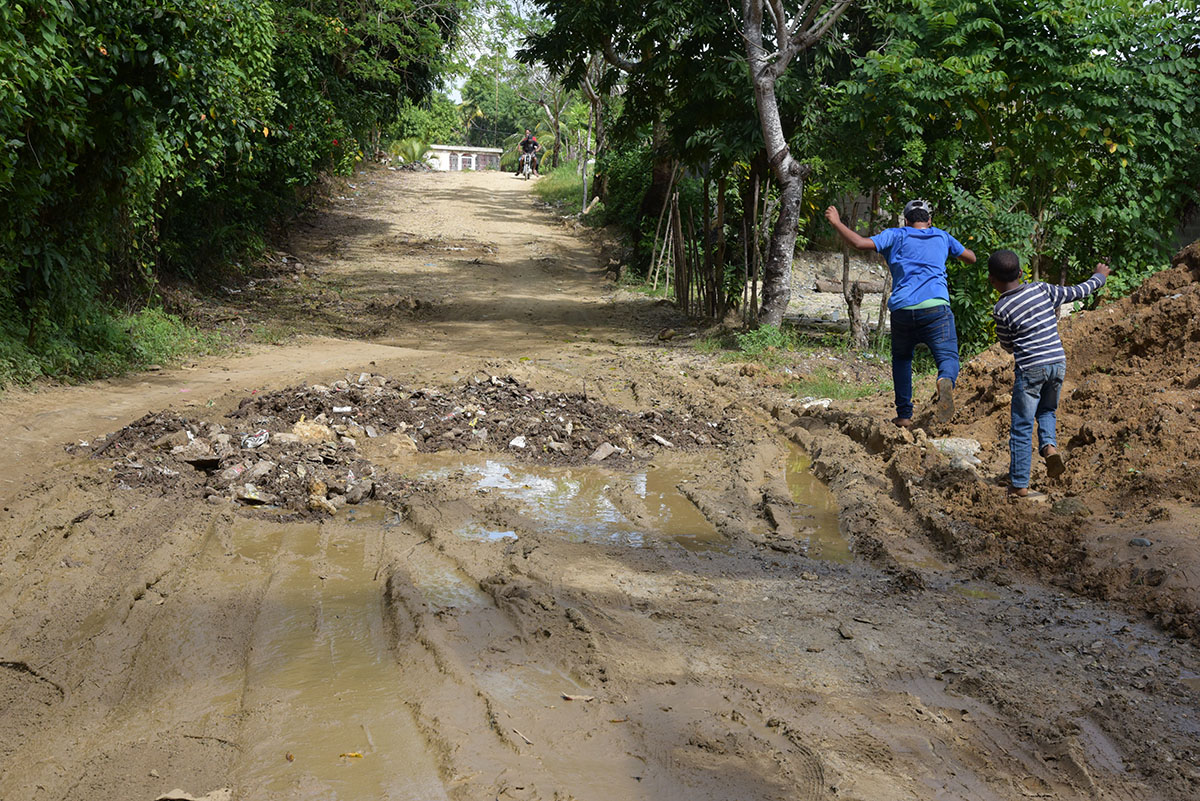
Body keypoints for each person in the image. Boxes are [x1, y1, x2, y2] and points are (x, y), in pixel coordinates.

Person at [826, 199, 976, 427]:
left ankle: (904, 415)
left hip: (903, 310)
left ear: (906, 221)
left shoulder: (895, 235)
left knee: (903, 360)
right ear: (929, 220)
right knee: (947, 358)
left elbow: (858, 243)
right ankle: (945, 380)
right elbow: (971, 258)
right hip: (936, 308)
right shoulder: (942, 236)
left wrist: (837, 222)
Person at [988, 250, 1109, 498]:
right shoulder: (1042, 290)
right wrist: (1099, 277)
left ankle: (1020, 484)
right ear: (1021, 274)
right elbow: (1078, 291)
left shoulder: (1001, 309)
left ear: (992, 281)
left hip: (1030, 369)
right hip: (1057, 362)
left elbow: (1007, 345)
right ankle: (1050, 448)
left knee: (1021, 426)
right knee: (1047, 410)